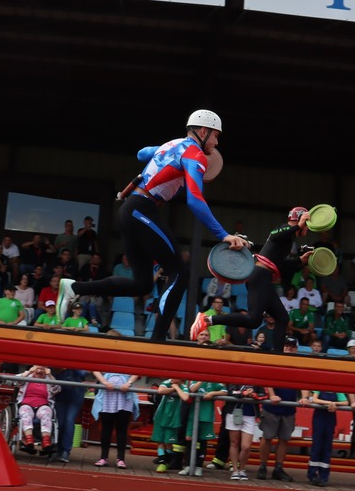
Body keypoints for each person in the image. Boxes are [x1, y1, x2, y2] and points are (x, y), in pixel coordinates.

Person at [59, 110, 247, 343]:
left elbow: (141, 154)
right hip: (141, 210)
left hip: (131, 209)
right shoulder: (195, 155)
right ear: (203, 131)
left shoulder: (172, 144)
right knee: (180, 272)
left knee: (142, 283)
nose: (217, 142)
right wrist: (223, 234)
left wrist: (162, 153)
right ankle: (158, 340)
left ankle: (74, 288)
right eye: (215, 136)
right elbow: (195, 199)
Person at [191, 207, 312, 343]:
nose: (307, 229)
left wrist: (300, 261)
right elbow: (275, 234)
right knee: (253, 319)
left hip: (264, 277)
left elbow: (280, 264)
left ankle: (278, 357)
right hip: (260, 275)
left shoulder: (288, 240)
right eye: (307, 225)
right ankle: (207, 319)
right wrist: (299, 226)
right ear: (301, 221)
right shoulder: (283, 229)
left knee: (282, 318)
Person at [91, 370, 139, 469]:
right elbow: (95, 370)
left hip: (125, 397)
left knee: (122, 429)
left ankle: (121, 459)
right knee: (106, 429)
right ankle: (103, 457)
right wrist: (105, 382)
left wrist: (128, 383)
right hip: (107, 395)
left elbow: (137, 371)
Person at [305, 387, 346, 486]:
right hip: (319, 418)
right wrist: (330, 403)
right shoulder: (319, 388)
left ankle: (324, 476)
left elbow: (345, 402)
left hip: (330, 419)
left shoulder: (337, 390)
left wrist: (334, 404)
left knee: (327, 447)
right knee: (317, 446)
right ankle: (312, 474)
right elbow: (314, 399)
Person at [256, 385, 298, 482]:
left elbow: (304, 384)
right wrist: (272, 395)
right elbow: (269, 381)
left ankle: (278, 468)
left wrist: (304, 397)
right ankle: (262, 466)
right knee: (267, 437)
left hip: (289, 408)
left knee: (284, 439)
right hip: (271, 407)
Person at [15, 365, 59, 453]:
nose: (39, 371)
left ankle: (46, 442)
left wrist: (50, 375)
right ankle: (29, 440)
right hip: (26, 404)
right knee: (25, 413)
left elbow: (57, 389)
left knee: (47, 413)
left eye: (42, 369)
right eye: (37, 369)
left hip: (43, 405)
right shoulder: (28, 376)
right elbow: (17, 381)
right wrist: (30, 372)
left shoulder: (48, 379)